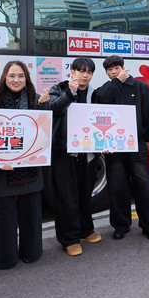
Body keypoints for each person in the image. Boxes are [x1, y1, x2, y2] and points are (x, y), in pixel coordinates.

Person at [0, 60, 62, 268]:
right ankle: (5, 258)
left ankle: (31, 252)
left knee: (31, 212)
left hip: (30, 167)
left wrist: (46, 106)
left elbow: (45, 129)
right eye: (12, 75)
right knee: (4, 215)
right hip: (3, 168)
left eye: (20, 76)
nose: (16, 80)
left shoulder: (36, 99)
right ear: (4, 77)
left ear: (26, 78)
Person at [94, 56, 149, 241]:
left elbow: (148, 113)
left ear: (123, 67)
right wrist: (116, 82)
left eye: (116, 68)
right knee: (117, 187)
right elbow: (100, 98)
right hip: (113, 146)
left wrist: (148, 138)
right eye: (109, 70)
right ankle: (121, 225)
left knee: (144, 185)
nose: (114, 72)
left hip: (136, 143)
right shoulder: (106, 89)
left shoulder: (140, 86)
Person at [48, 57, 103, 256]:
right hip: (64, 152)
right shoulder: (59, 88)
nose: (85, 75)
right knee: (66, 197)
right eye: (81, 71)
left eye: (89, 72)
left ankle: (85, 230)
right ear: (72, 72)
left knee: (84, 194)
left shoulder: (94, 93)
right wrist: (70, 93)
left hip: (87, 153)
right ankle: (69, 238)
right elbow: (52, 110)